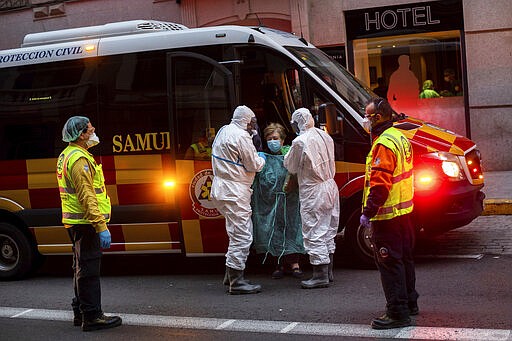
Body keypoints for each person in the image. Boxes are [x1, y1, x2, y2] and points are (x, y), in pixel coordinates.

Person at [56, 116, 122, 332]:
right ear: (82, 134)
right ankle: (92, 317)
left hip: (77, 221)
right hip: (86, 223)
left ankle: (81, 312)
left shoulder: (69, 154)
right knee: (89, 270)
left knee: (80, 267)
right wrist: (101, 226)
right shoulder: (79, 160)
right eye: (91, 129)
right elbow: (87, 196)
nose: (94, 131)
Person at [360, 98, 419, 330]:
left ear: (378, 118)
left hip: (387, 216)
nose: (365, 120)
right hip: (403, 212)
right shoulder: (400, 137)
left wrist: (368, 212)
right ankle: (410, 302)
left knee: (390, 263)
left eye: (367, 116)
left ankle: (397, 312)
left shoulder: (383, 144)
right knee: (404, 259)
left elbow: (380, 185)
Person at [210, 105, 266, 295]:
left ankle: (230, 275)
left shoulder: (224, 130)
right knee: (243, 235)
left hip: (220, 189)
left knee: (234, 232)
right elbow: (253, 164)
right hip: (234, 190)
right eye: (252, 122)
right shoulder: (242, 136)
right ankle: (237, 281)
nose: (253, 126)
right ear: (246, 121)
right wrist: (261, 157)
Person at [283, 108, 340, 289]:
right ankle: (328, 271)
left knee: (314, 230)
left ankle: (320, 275)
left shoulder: (300, 142)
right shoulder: (325, 136)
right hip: (330, 186)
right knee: (328, 229)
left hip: (313, 190)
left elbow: (290, 165)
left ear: (297, 122)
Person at [251, 123, 305, 279]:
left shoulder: (289, 155)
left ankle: (294, 264)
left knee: (293, 228)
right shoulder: (262, 158)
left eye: (275, 138)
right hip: (270, 202)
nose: (272, 141)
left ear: (282, 140)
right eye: (269, 138)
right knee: (274, 230)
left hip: (291, 201)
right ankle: (279, 263)